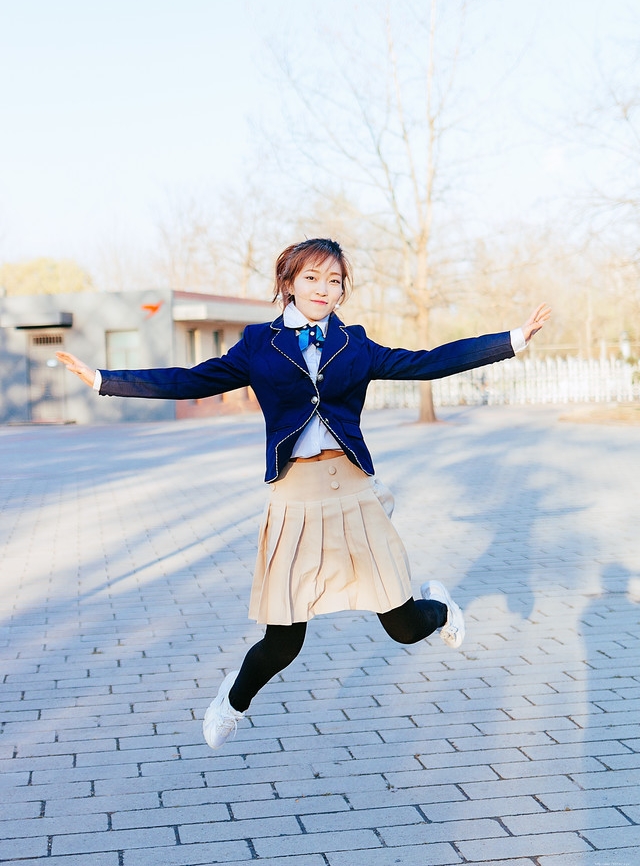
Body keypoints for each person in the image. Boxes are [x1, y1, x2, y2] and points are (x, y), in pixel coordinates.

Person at [57, 237, 550, 749]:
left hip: (352, 492)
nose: (323, 289)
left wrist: (512, 339)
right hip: (295, 496)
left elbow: (426, 361)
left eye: (334, 281)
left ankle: (441, 607)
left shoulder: (354, 343)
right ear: (288, 283)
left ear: (342, 291)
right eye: (311, 277)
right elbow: (192, 380)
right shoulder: (258, 343)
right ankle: (232, 702)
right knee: (284, 638)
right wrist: (104, 380)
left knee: (403, 626)